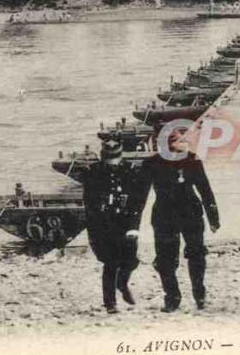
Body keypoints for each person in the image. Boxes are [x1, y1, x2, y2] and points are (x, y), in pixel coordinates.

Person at [145, 127, 220, 312]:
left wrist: (213, 216)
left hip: (190, 214)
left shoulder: (192, 160)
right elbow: (140, 196)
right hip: (164, 216)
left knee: (196, 255)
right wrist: (132, 225)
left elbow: (205, 189)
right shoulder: (151, 163)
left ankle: (199, 293)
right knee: (165, 260)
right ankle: (172, 297)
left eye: (178, 141)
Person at [82, 140, 152, 314]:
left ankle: (122, 283)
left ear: (120, 157)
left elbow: (138, 202)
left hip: (126, 221)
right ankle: (110, 302)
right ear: (103, 157)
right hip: (103, 223)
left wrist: (134, 226)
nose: (111, 162)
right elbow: (89, 203)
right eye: (108, 159)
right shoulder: (93, 172)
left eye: (114, 158)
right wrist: (94, 230)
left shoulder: (130, 171)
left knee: (131, 260)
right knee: (110, 262)